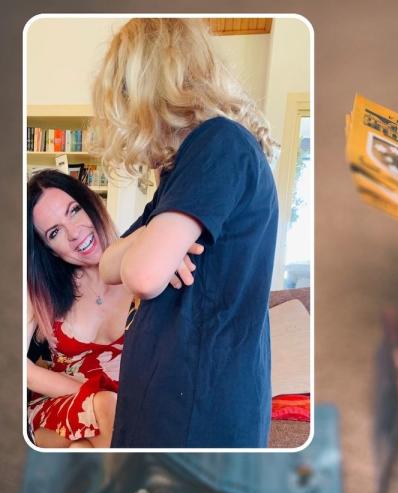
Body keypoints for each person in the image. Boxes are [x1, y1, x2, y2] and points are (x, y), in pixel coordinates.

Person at [94, 19, 279, 448]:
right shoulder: (184, 168)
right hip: (180, 392)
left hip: (199, 402)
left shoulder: (218, 144)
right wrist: (148, 244)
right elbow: (107, 265)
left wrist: (146, 252)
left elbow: (141, 275)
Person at [25, 170, 133, 448]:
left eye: (74, 211)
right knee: (107, 405)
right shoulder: (42, 290)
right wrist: (96, 397)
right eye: (54, 232)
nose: (74, 234)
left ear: (91, 203)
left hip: (126, 419)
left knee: (81, 448)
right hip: (59, 408)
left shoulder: (142, 271)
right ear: (49, 249)